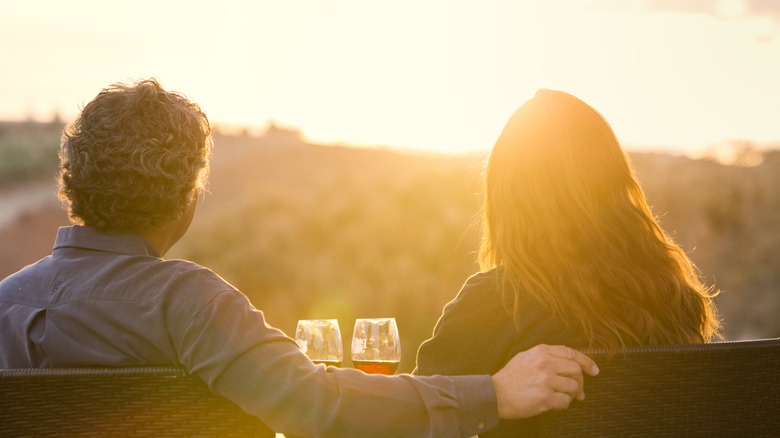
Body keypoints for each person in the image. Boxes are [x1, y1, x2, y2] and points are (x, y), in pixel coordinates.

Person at [0, 79, 599, 438]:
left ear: (71, 180)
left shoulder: (7, 305)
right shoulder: (185, 302)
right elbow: (316, 406)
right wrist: (490, 394)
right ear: (184, 197)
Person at [414, 89, 721, 436]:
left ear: (507, 194)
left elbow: (411, 417)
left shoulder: (496, 304)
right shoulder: (675, 300)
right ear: (614, 184)